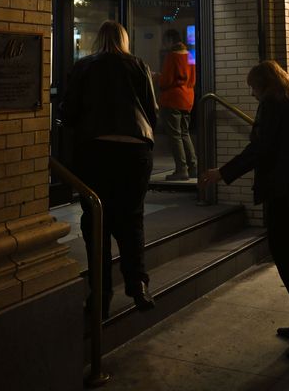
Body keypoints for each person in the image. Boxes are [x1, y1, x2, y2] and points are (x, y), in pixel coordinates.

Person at [199, 61, 289, 362]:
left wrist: (222, 173)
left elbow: (258, 150)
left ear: (263, 85)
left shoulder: (271, 107)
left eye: (253, 87)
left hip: (286, 194)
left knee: (286, 257)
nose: (251, 93)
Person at [60, 20, 158, 316]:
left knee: (95, 220)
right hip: (135, 149)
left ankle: (100, 294)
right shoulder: (138, 65)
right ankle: (137, 284)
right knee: (132, 218)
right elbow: (151, 110)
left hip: (95, 150)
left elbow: (69, 109)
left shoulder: (84, 66)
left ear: (97, 39)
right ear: (124, 40)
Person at [158, 29, 197, 180]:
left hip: (173, 99)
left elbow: (165, 81)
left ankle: (181, 169)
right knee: (184, 133)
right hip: (187, 98)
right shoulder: (190, 55)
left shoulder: (171, 57)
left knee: (175, 135)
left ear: (169, 40)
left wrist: (157, 78)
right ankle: (193, 166)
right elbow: (192, 79)